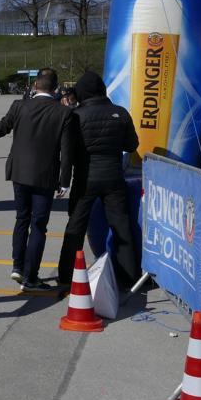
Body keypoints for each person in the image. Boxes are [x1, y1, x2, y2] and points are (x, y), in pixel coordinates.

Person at [0, 68, 81, 291]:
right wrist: (65, 181)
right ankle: (30, 276)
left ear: (35, 86)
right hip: (45, 176)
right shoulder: (65, 113)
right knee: (38, 226)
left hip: (19, 172)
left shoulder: (19, 105)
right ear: (56, 88)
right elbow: (67, 152)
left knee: (21, 219)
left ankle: (17, 266)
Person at [57, 70, 141, 291]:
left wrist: (65, 178)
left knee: (76, 226)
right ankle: (129, 278)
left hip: (85, 178)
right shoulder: (120, 113)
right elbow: (132, 145)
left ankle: (66, 274)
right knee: (121, 227)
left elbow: (68, 151)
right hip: (114, 177)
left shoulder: (76, 116)